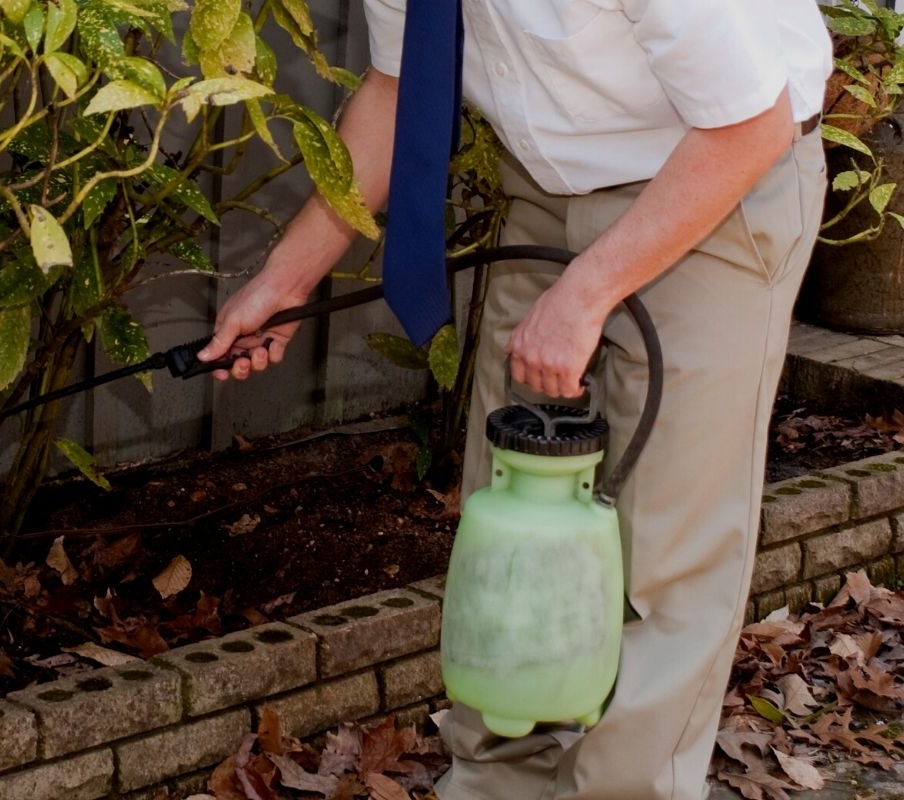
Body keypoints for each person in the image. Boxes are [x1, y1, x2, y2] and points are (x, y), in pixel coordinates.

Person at [196, 2, 833, 798]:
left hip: (710, 186)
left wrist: (586, 293)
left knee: (666, 556)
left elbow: (748, 125)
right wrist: (284, 282)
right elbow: (399, 88)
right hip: (544, 187)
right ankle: (496, 786)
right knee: (511, 527)